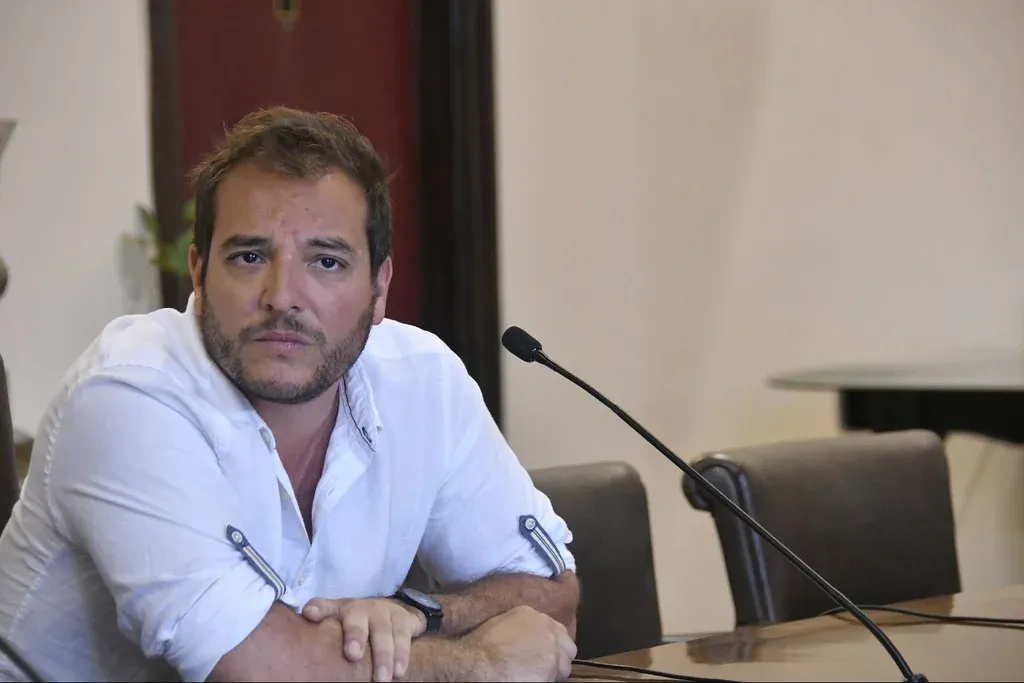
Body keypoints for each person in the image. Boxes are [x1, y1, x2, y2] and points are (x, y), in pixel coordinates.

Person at [0, 107, 579, 682]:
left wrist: (420, 613)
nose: (282, 296)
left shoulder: (422, 379)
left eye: (326, 262)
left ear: (380, 289)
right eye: (249, 257)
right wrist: (477, 664)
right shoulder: (128, 396)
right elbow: (255, 668)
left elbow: (552, 597)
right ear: (198, 274)